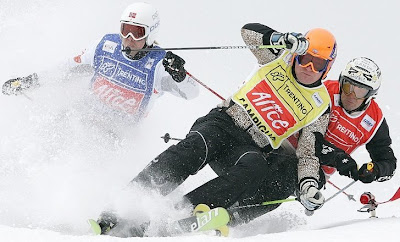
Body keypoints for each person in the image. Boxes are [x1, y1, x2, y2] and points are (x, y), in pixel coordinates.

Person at [95, 23, 338, 236]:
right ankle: (125, 203)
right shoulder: (277, 58)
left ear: (327, 68)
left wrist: (308, 185)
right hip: (224, 122)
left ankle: (178, 213)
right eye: (304, 57)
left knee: (255, 168)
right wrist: (278, 38)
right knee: (194, 148)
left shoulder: (320, 104)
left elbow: (308, 153)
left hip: (250, 146)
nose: (308, 66)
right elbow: (248, 32)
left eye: (317, 64)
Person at [224, 57, 398, 226]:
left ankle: (234, 216)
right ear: (340, 81)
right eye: (347, 86)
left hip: (316, 171)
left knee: (286, 177)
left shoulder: (374, 120)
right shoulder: (324, 92)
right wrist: (338, 158)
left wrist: (375, 171)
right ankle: (217, 197)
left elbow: (388, 161)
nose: (351, 94)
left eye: (360, 91)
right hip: (285, 146)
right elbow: (311, 139)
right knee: (251, 162)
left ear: (371, 95)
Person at [1, 2, 199, 125]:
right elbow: (66, 69)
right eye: (125, 30)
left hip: (117, 132)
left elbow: (192, 94)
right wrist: (29, 81)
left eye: (137, 32)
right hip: (84, 113)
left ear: (150, 34)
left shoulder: (159, 65)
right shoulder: (105, 46)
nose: (128, 38)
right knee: (50, 131)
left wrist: (180, 75)